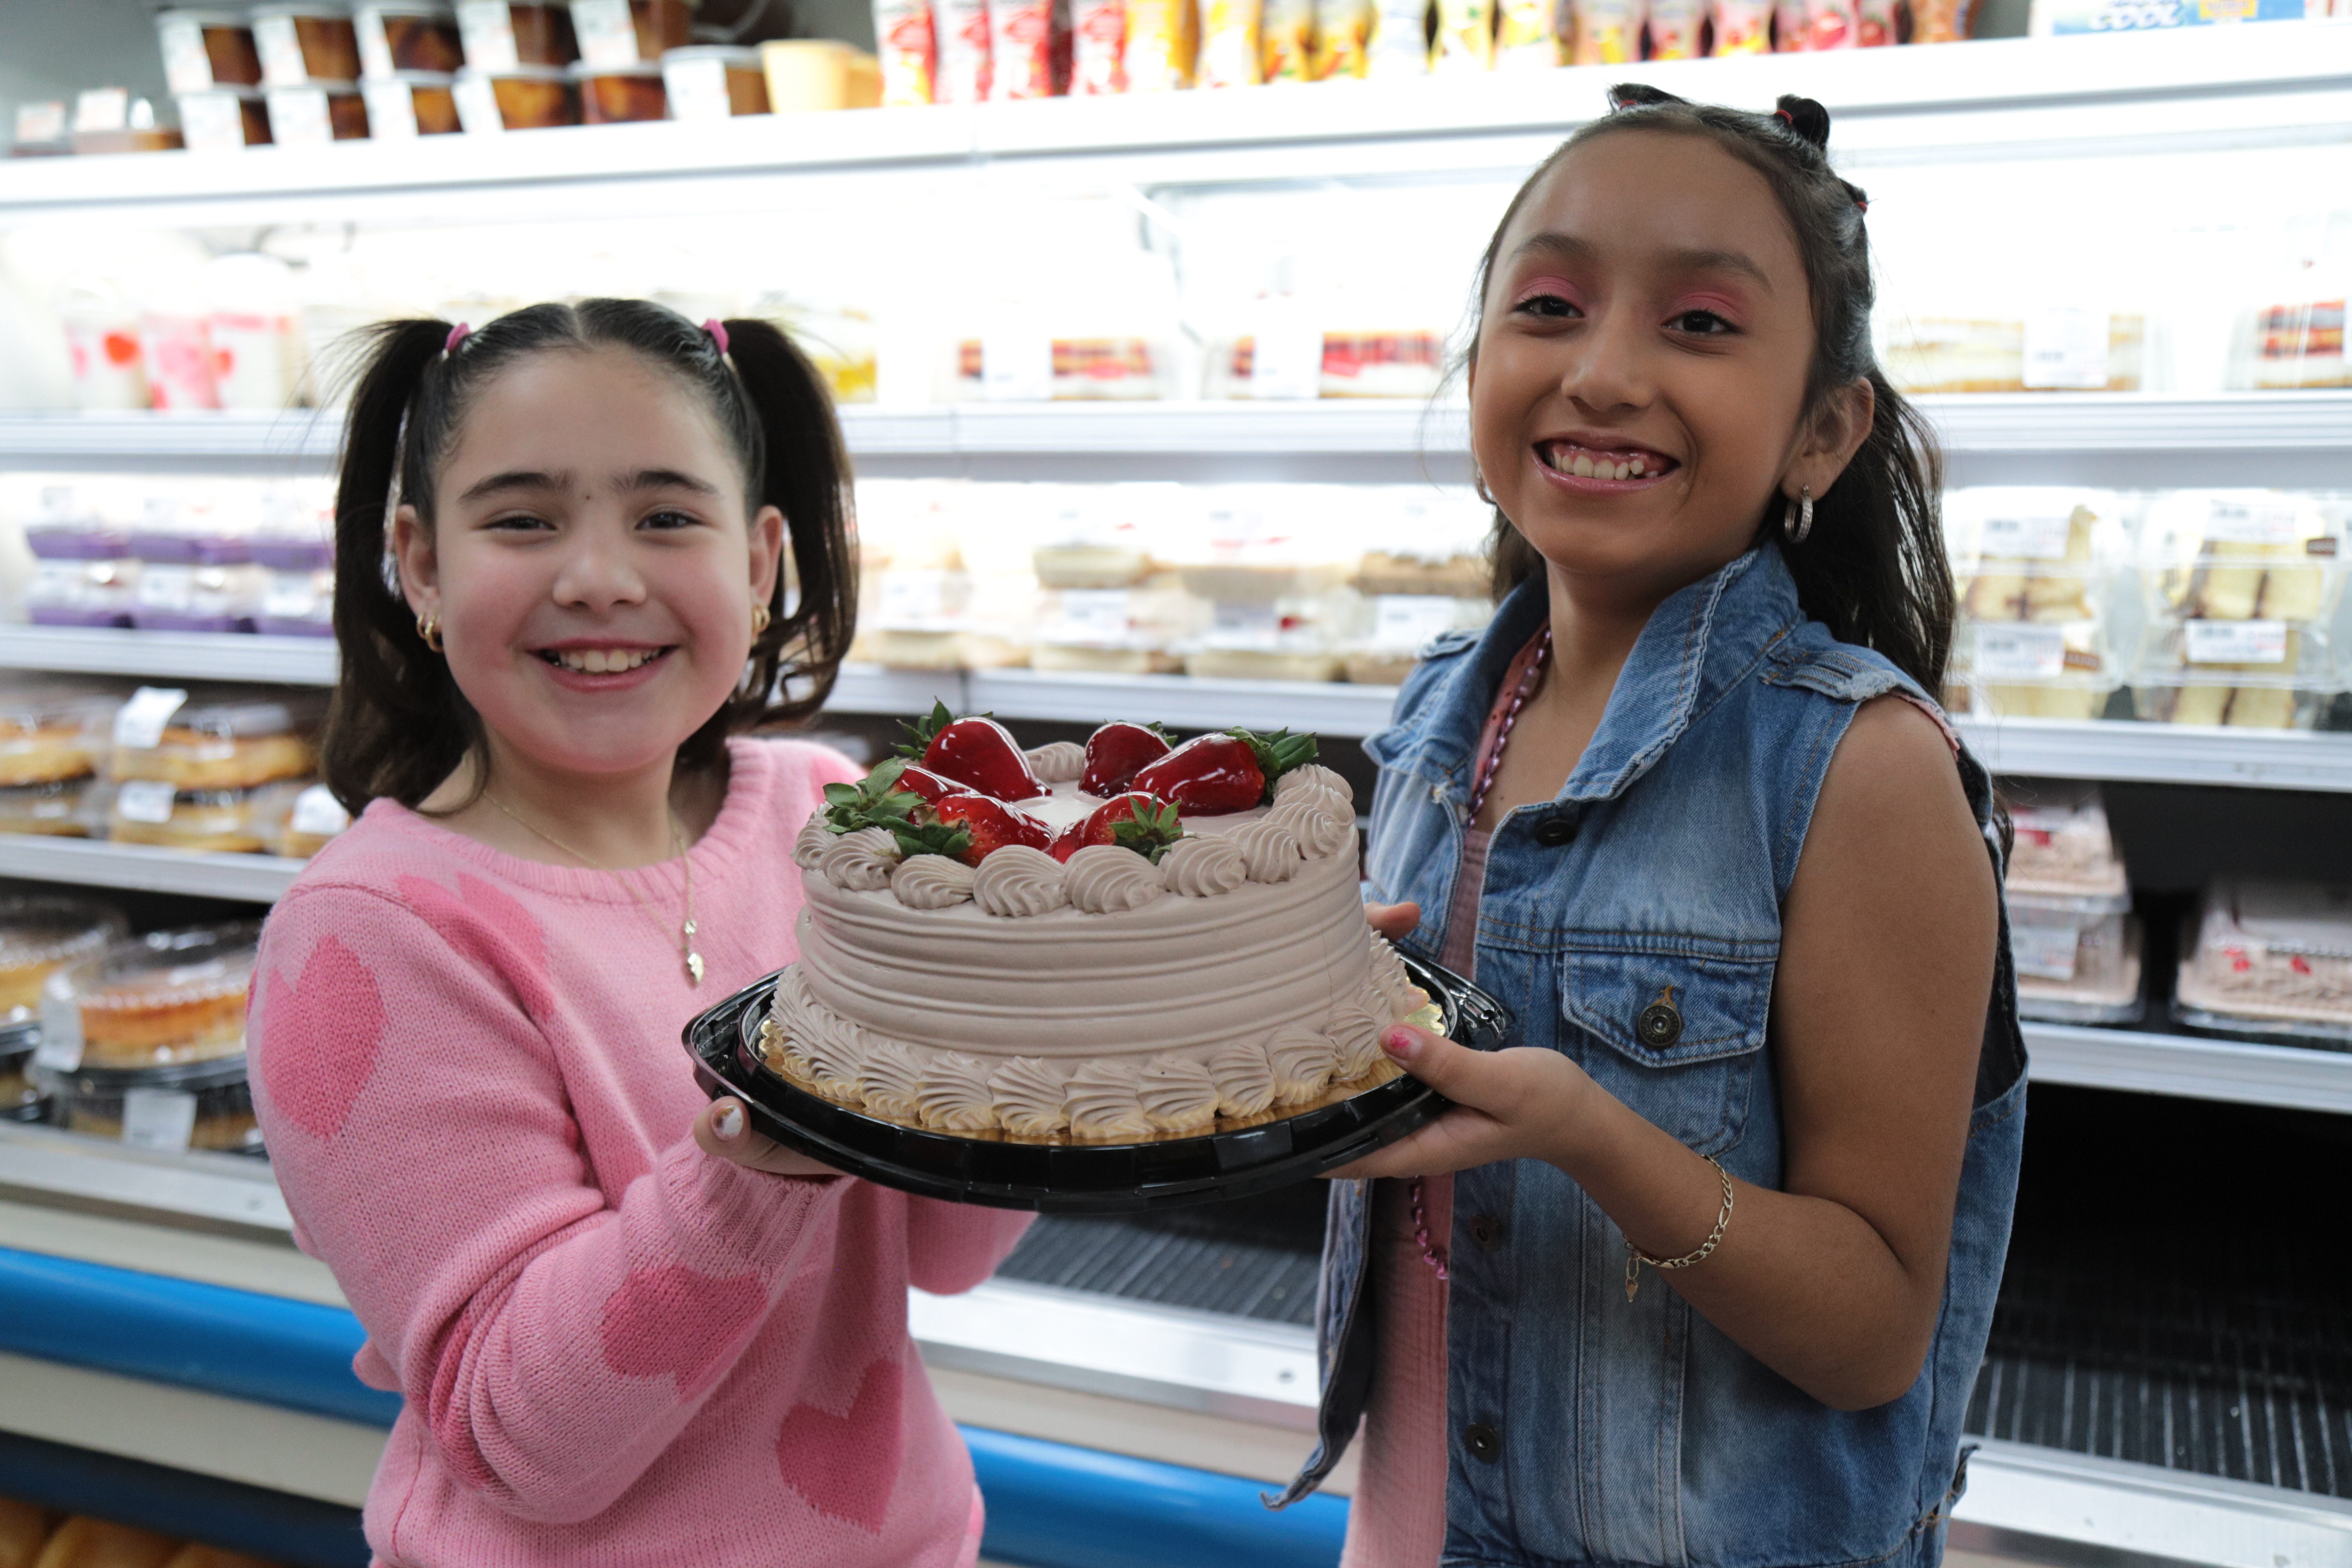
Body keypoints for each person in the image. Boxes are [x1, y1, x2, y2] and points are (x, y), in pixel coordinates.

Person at [1277, 88, 2027, 1566]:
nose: (1604, 371)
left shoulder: (1859, 772)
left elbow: (1877, 1331)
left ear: (1824, 428)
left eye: (1700, 324)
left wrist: (1588, 1136)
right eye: (1550, 303)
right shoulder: (1446, 713)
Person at [248, 300, 1031, 1567]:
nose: (600, 576)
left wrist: (1051, 1020)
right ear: (423, 564)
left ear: (762, 562)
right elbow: (524, 1442)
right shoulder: (371, 937)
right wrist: (779, 1133)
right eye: (522, 518)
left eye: (668, 517)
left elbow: (946, 1246)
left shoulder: (827, 815)